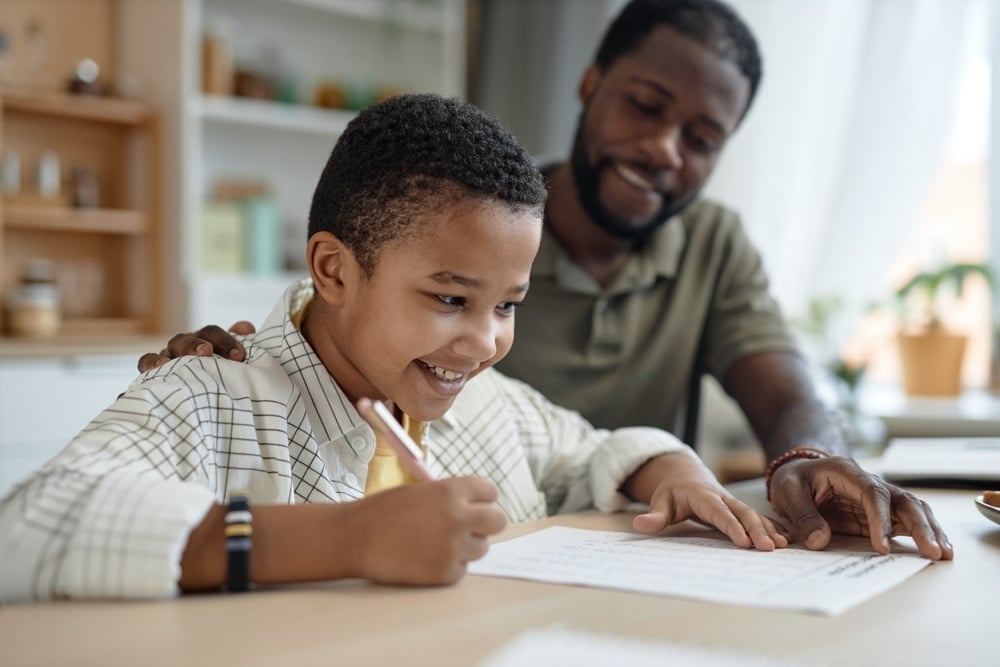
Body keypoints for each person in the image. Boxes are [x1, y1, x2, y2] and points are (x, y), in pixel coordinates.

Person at [146, 0, 954, 562]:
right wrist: (256, 363)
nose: (666, 148)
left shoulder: (708, 243)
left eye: (704, 136)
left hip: (589, 560)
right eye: (646, 104)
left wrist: (808, 458)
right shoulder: (477, 215)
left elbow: (779, 386)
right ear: (590, 83)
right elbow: (340, 320)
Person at [0, 94, 789, 604]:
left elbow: (592, 451)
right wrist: (353, 538)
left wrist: (673, 470)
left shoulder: (483, 402)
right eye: (450, 298)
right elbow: (27, 527)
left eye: (507, 305)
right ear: (333, 268)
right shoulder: (214, 391)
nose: (484, 343)